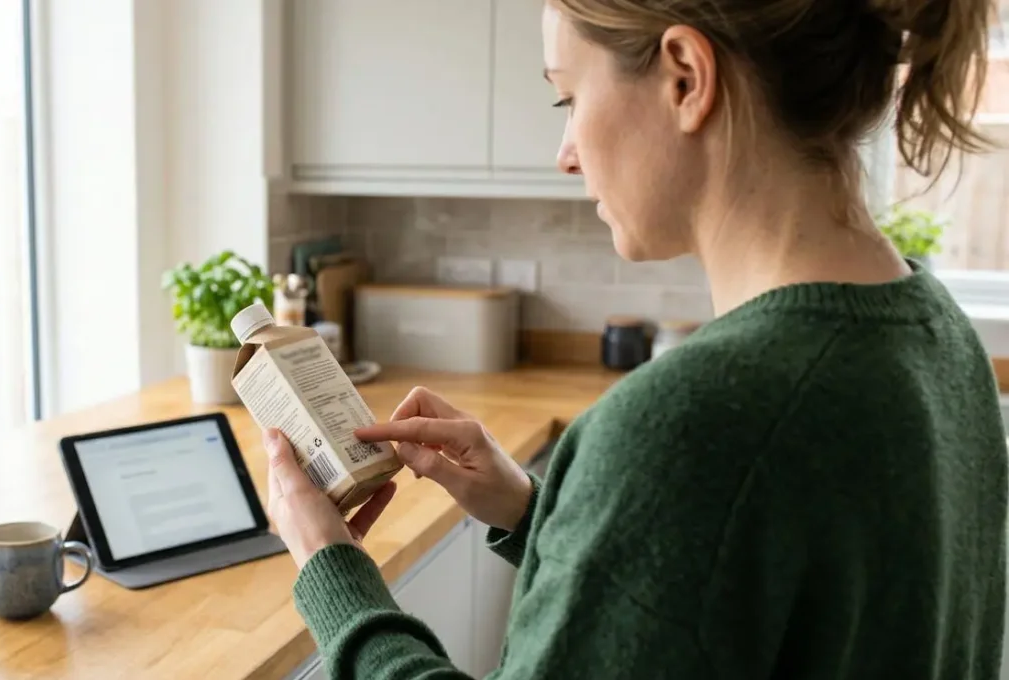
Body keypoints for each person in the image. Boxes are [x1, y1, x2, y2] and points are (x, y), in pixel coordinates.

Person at [261, 0, 1009, 676]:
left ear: (686, 77)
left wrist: (332, 571)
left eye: (568, 96)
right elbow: (745, 600)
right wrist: (539, 511)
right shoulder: (940, 340)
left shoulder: (691, 424)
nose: (566, 151)